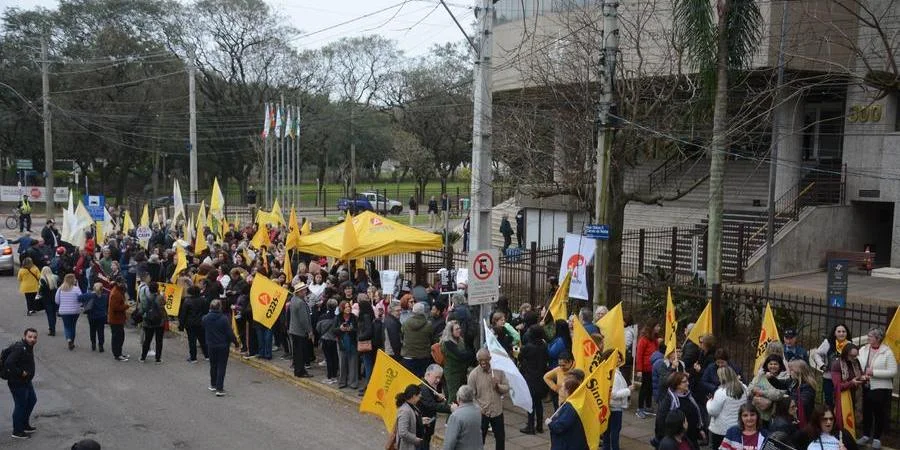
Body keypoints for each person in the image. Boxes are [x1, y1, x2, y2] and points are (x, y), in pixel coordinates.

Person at [857, 327, 897, 449]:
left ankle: (877, 439)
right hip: (866, 386)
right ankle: (865, 436)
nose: (868, 337)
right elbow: (858, 363)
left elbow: (892, 371)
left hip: (881, 388)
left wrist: (874, 372)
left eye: (870, 336)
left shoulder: (887, 352)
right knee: (866, 411)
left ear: (878, 338)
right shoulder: (864, 349)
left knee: (879, 413)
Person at [468, 348, 509, 450]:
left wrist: (498, 386)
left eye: (485, 359)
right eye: (480, 360)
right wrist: (478, 408)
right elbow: (470, 396)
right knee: (480, 440)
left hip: (497, 411)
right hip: (482, 413)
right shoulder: (473, 375)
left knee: (500, 438)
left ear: (490, 358)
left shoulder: (498, 371)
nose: (483, 362)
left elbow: (507, 388)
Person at [4, 328, 38, 440]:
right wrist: (21, 372)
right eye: (30, 336)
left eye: (34, 337)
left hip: (26, 381)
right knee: (20, 405)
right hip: (17, 382)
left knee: (32, 400)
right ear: (24, 336)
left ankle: (24, 424)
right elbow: (9, 363)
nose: (32, 339)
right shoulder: (20, 348)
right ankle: (17, 431)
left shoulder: (28, 347)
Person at [655, 372, 705, 446]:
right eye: (684, 382)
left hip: (691, 437)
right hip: (679, 441)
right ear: (676, 384)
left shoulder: (688, 396)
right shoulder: (668, 401)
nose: (688, 383)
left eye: (687, 381)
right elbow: (660, 422)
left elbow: (695, 415)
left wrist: (699, 429)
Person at [203, 299, 239, 396]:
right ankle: (219, 388)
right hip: (223, 345)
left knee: (213, 365)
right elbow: (229, 333)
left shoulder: (205, 318)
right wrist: (236, 343)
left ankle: (213, 384)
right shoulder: (224, 319)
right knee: (221, 366)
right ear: (220, 307)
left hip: (211, 345)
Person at [707, 366, 748, 450]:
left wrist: (709, 402)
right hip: (739, 426)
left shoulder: (721, 392)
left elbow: (712, 411)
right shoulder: (744, 387)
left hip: (721, 430)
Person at [518, 324, 549, 435]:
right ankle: (539, 426)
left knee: (530, 402)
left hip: (530, 377)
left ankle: (530, 426)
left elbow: (520, 357)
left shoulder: (528, 347)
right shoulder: (544, 345)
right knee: (538, 402)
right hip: (541, 377)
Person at [812, 323, 851, 408]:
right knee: (829, 401)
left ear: (847, 333)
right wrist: (822, 365)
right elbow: (816, 354)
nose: (841, 333)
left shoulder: (849, 344)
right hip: (829, 378)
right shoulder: (828, 343)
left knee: (841, 403)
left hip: (843, 380)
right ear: (834, 333)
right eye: (839, 331)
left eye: (844, 331)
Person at [831, 343, 864, 437]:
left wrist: (863, 377)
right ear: (846, 354)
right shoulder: (837, 364)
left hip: (856, 395)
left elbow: (860, 374)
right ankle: (842, 438)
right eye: (852, 356)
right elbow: (837, 386)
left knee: (853, 420)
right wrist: (851, 383)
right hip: (843, 397)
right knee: (843, 420)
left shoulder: (856, 362)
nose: (855, 358)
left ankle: (851, 438)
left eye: (856, 355)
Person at [547, 376, 587, 449]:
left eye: (562, 387)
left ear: (568, 390)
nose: (561, 389)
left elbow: (560, 427)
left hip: (567, 445)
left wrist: (550, 423)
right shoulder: (574, 402)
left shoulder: (570, 407)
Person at [605, 349, 633, 450]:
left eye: (619, 357)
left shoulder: (611, 371)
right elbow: (613, 394)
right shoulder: (615, 375)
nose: (618, 359)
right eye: (615, 358)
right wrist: (628, 390)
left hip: (610, 406)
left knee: (607, 432)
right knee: (614, 431)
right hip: (615, 407)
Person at [419, 364, 451, 449]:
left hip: (428, 426)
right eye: (436, 377)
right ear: (428, 374)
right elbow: (431, 405)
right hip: (423, 427)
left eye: (440, 378)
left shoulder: (429, 387)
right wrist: (450, 408)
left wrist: (438, 399)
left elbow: (430, 402)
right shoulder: (424, 388)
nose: (438, 380)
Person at [749, 354, 787, 423]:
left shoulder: (783, 378)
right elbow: (750, 388)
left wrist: (761, 392)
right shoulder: (761, 375)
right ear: (767, 364)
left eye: (775, 364)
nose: (773, 366)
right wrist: (753, 389)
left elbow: (778, 395)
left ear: (780, 365)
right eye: (771, 364)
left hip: (773, 416)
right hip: (757, 413)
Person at [443, 385, 482, 450]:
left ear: (458, 398)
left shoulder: (455, 416)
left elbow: (449, 442)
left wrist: (456, 412)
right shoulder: (478, 410)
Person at [636, 318, 660, 418]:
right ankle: (640, 409)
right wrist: (639, 370)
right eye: (657, 326)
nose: (659, 328)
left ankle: (648, 406)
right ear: (652, 327)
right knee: (644, 388)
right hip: (646, 369)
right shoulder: (643, 339)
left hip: (652, 368)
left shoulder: (654, 339)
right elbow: (639, 355)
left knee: (650, 388)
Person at [289, 282, 314, 378]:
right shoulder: (300, 303)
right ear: (299, 292)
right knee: (300, 353)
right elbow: (304, 319)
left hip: (294, 330)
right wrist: (309, 331)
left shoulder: (294, 300)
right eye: (303, 290)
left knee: (297, 352)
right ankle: (300, 371)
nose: (305, 291)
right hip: (300, 331)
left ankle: (298, 370)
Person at [401, 302, 433, 378]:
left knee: (409, 380)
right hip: (423, 356)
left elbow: (402, 335)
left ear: (413, 311)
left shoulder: (406, 323)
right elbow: (431, 338)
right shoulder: (428, 325)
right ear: (423, 311)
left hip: (408, 356)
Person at [179, 286, 209, 363]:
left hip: (190, 323)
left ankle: (193, 358)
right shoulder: (203, 300)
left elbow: (183, 314)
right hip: (201, 322)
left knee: (192, 340)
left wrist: (181, 325)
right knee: (203, 339)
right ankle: (207, 355)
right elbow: (206, 311)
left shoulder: (187, 301)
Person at [334, 300, 359, 389]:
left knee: (353, 363)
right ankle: (342, 382)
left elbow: (357, 330)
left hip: (352, 343)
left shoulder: (354, 317)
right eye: (346, 307)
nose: (348, 308)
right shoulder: (337, 317)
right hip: (342, 343)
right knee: (342, 363)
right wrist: (340, 329)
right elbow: (333, 330)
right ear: (342, 308)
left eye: (349, 307)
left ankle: (353, 382)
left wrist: (351, 329)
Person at [55, 273, 84, 350]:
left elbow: (57, 301)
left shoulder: (60, 289)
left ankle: (69, 339)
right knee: (73, 326)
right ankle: (72, 341)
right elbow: (81, 299)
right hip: (75, 311)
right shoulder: (76, 289)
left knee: (67, 326)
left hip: (64, 311)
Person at [140, 281, 166, 363]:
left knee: (147, 340)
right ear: (157, 288)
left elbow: (142, 308)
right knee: (159, 340)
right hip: (159, 321)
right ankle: (158, 359)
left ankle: (142, 357)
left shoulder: (145, 297)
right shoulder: (160, 297)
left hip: (148, 320)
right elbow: (164, 303)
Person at [787, 359, 817, 428]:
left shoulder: (808, 386)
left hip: (804, 419)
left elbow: (803, 402)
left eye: (791, 370)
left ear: (798, 372)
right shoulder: (794, 382)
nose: (789, 372)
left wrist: (787, 400)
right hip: (796, 416)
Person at [316, 298, 339, 383]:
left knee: (328, 358)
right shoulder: (337, 318)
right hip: (334, 339)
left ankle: (329, 377)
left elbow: (318, 328)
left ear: (327, 306)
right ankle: (334, 375)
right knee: (335, 357)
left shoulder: (322, 317)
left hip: (325, 339)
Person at [394, 383, 424, 450]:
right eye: (419, 396)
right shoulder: (405, 410)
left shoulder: (412, 405)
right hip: (409, 446)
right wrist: (415, 439)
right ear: (414, 396)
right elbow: (403, 432)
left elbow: (413, 418)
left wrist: (421, 420)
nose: (420, 397)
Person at [80, 283, 108, 353]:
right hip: (101, 316)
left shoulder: (90, 295)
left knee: (92, 330)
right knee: (101, 331)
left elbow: (79, 298)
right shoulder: (105, 296)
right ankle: (101, 345)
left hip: (92, 316)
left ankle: (93, 344)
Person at [107, 277, 129, 361]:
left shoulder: (118, 291)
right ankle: (117, 355)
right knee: (117, 338)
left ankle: (119, 353)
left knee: (120, 337)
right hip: (115, 319)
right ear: (119, 283)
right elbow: (115, 307)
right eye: (123, 283)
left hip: (118, 319)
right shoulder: (115, 293)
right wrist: (126, 306)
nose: (124, 284)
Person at [37, 266, 58, 336]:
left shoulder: (42, 279)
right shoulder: (55, 277)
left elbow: (41, 291)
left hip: (46, 299)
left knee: (49, 314)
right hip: (55, 298)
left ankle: (52, 329)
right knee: (54, 313)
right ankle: (53, 327)